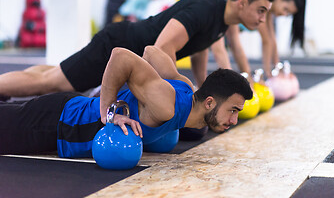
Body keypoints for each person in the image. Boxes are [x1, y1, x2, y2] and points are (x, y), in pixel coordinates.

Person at [0, 0, 275, 101]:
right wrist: (184, 87)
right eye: (260, 10)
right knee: (50, 84)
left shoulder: (221, 21)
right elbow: (161, 48)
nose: (263, 19)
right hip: (116, 46)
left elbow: (198, 50)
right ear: (241, 2)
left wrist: (203, 93)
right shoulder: (206, 8)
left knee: (53, 75)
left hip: (125, 52)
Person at [0, 46, 253, 157]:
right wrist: (109, 112)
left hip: (65, 111)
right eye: (232, 110)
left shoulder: (185, 87)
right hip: (59, 124)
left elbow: (152, 52)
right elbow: (121, 56)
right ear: (209, 102)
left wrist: (134, 96)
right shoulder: (167, 105)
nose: (234, 119)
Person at [210, 0, 306, 79]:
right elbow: (223, 50)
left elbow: (271, 40)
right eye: (285, 9)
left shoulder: (264, 15)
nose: (283, 14)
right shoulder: (223, 12)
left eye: (288, 14)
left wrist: (275, 68)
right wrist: (266, 73)